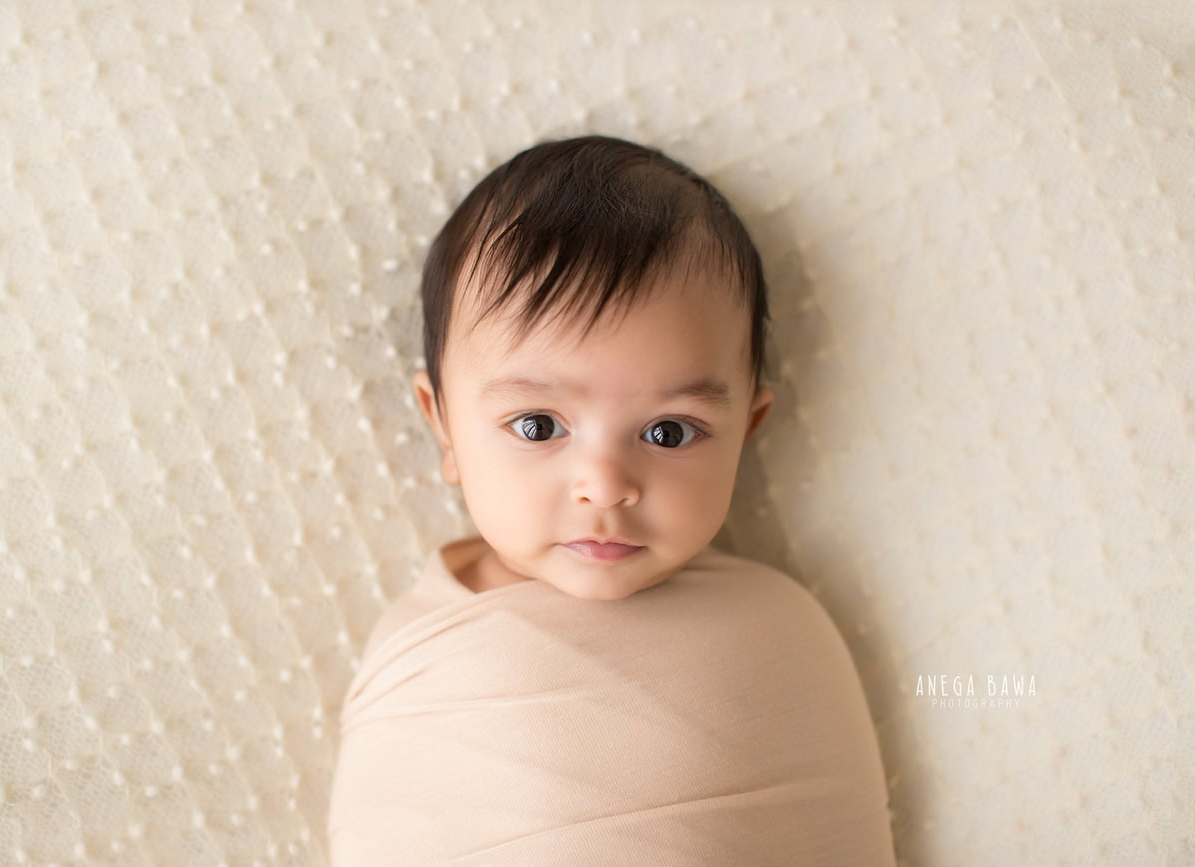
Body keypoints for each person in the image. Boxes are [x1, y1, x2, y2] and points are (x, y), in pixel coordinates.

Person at [328, 135, 896, 864]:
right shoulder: (425, 657)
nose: (605, 484)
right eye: (538, 426)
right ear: (442, 424)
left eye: (668, 430)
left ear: (747, 428)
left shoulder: (783, 631)